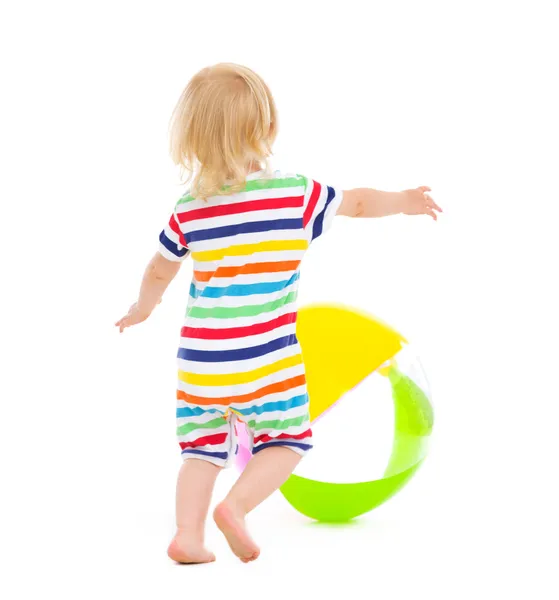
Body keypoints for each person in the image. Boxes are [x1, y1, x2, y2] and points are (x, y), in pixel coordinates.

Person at [115, 63, 442, 564]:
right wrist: (404, 201)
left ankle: (187, 535)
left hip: (202, 363)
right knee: (288, 439)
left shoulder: (190, 209)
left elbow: (160, 270)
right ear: (268, 129)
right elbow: (355, 203)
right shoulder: (295, 194)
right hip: (267, 357)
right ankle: (237, 508)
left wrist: (142, 308)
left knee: (200, 450)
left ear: (193, 139)